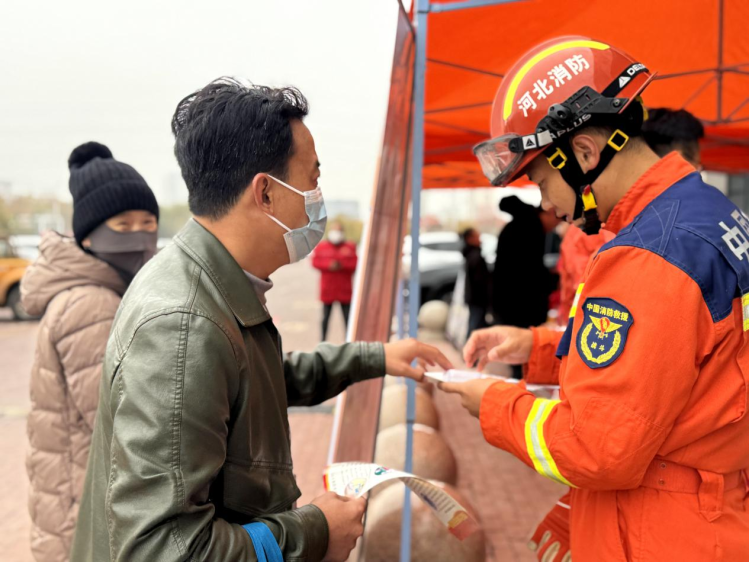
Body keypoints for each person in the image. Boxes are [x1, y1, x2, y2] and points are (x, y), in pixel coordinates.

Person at [71, 78, 452, 562]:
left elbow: (262, 383)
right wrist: (313, 531)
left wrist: (373, 357)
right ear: (266, 193)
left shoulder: (216, 284)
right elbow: (163, 549)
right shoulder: (183, 327)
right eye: (312, 178)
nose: (317, 196)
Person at [440, 37, 749, 561]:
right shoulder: (705, 213)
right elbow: (668, 357)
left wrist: (493, 404)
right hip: (709, 509)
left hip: (661, 532)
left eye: (542, 181)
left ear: (584, 152)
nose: (546, 203)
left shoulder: (649, 254)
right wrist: (538, 347)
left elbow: (597, 448)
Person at [21, 142, 159, 562]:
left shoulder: (107, 291)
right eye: (122, 224)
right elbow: (121, 417)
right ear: (88, 235)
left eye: (148, 222)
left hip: (82, 506)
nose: (139, 234)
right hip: (83, 518)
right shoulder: (90, 303)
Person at [493, 196, 558, 329]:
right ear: (550, 212)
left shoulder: (523, 224)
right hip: (518, 307)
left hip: (508, 302)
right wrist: (554, 280)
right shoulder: (531, 228)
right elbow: (530, 271)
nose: (555, 227)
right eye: (558, 221)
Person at [311, 221, 357, 340]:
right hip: (328, 290)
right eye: (334, 230)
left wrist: (342, 265)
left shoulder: (350, 247)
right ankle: (323, 342)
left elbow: (355, 264)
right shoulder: (322, 247)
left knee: (348, 319)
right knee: (325, 319)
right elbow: (315, 262)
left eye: (338, 230)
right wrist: (328, 265)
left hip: (345, 291)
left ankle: (349, 342)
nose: (336, 233)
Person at [461, 227, 490, 338]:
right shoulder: (475, 256)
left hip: (474, 298)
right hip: (478, 298)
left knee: (475, 324)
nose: (480, 240)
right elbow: (480, 281)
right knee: (475, 326)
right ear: (470, 239)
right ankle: (470, 347)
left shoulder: (471, 255)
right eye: (477, 237)